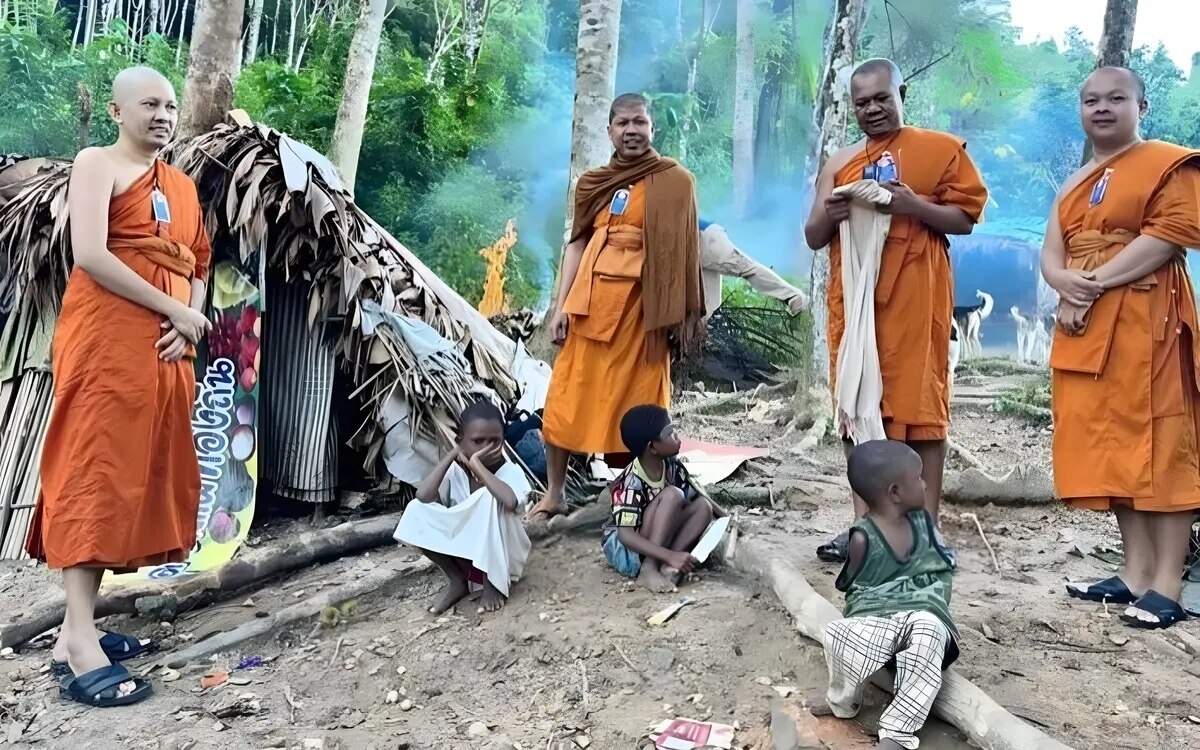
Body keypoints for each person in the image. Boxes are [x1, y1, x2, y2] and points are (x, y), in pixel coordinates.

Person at [25, 67, 213, 707]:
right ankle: (78, 642)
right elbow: (92, 254)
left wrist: (187, 326)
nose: (162, 115)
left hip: (163, 354)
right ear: (115, 110)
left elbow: (199, 263)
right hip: (106, 344)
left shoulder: (182, 186)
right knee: (95, 472)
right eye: (148, 104)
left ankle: (76, 631)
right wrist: (178, 310)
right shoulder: (96, 162)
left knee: (133, 476)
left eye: (169, 105)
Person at [804, 59, 988, 562]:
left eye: (881, 98)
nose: (872, 109)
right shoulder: (840, 161)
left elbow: (965, 218)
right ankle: (865, 527)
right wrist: (832, 212)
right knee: (858, 411)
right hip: (857, 305)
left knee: (922, 415)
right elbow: (814, 235)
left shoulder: (939, 150)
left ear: (900, 93)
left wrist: (912, 206)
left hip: (915, 300)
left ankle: (925, 532)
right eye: (861, 102)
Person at [1042, 66, 1200, 629]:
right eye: (1090, 100)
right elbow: (1052, 247)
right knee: (1110, 445)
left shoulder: (1168, 163)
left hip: (1147, 318)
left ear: (1142, 105)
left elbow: (1167, 237)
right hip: (1086, 324)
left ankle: (1168, 585)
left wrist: (1095, 281)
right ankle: (1134, 574)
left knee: (1161, 442)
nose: (1102, 107)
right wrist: (1063, 282)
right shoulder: (1075, 180)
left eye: (1116, 98)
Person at [526, 93, 705, 521]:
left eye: (639, 122)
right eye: (622, 123)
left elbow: (684, 252)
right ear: (609, 130)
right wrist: (562, 307)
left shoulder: (675, 180)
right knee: (566, 399)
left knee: (641, 406)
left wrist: (676, 318)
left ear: (652, 128)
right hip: (591, 309)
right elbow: (577, 245)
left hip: (644, 316)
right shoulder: (594, 183)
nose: (631, 131)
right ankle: (555, 494)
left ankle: (634, 496)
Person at [822, 440, 958, 750]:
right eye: (918, 478)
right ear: (895, 492)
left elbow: (940, 576)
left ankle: (897, 731)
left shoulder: (925, 528)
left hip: (922, 620)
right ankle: (843, 700)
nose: (925, 483)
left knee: (929, 629)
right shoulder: (862, 535)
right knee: (837, 633)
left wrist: (915, 595)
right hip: (879, 625)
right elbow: (858, 589)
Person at [395, 401, 532, 615]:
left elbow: (510, 501)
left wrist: (477, 464)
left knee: (489, 496)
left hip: (503, 561)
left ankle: (493, 585)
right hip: (469, 560)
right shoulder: (456, 473)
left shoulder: (511, 472)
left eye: (495, 441)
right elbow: (423, 497)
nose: (487, 447)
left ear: (503, 442)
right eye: (477, 441)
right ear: (462, 442)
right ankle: (457, 581)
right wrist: (454, 453)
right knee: (415, 510)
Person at [600, 404, 723, 593]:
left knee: (703, 506)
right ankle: (650, 567)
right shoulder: (630, 483)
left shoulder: (673, 467)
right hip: (628, 551)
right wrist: (668, 554)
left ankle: (666, 565)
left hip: (657, 538)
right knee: (673, 495)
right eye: (670, 432)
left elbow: (694, 500)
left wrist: (725, 517)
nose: (677, 436)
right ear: (652, 447)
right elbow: (625, 535)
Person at [698, 218, 806, 317]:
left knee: (747, 269)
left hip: (704, 239)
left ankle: (793, 296)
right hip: (701, 244)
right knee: (708, 314)